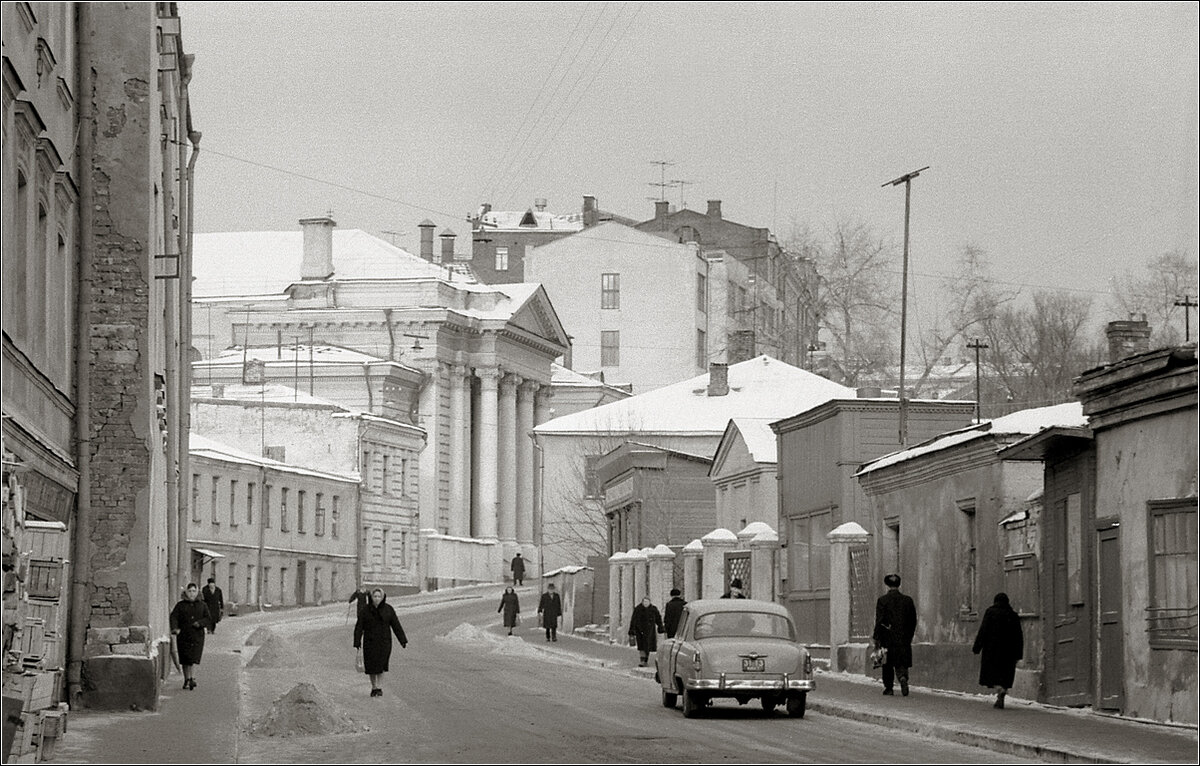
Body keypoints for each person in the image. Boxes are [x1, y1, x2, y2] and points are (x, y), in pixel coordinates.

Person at [972, 592, 1024, 709]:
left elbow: (983, 630)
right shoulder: (1013, 615)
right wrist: (1018, 654)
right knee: (1005, 675)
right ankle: (1002, 692)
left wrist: (977, 647)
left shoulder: (990, 612)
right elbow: (1019, 636)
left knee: (992, 674)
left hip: (992, 650)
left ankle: (999, 689)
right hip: (1009, 652)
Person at [353, 588, 408, 698]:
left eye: (379, 596)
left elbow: (396, 625)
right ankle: (374, 687)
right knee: (371, 666)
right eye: (375, 596)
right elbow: (359, 626)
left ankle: (379, 687)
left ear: (382, 597)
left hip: (384, 642)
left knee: (381, 665)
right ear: (371, 597)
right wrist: (357, 641)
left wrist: (402, 640)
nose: (377, 599)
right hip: (370, 642)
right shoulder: (365, 610)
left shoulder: (388, 609)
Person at [873, 573, 918, 697]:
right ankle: (903, 677)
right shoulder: (908, 600)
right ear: (899, 585)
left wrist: (877, 636)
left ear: (887, 585)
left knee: (887, 663)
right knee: (902, 660)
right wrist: (909, 635)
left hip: (887, 637)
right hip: (904, 637)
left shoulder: (882, 600)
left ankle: (889, 688)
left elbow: (879, 620)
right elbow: (913, 620)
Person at [170, 582, 211, 690]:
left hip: (197, 635)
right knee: (185, 659)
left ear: (197, 592)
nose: (192, 594)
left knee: (193, 658)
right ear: (186, 592)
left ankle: (192, 678)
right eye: (190, 591)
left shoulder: (202, 605)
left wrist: (200, 623)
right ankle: (186, 679)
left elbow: (208, 618)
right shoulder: (180, 605)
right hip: (183, 635)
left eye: (194, 591)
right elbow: (174, 617)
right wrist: (175, 628)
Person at [628, 597, 664, 667]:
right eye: (644, 602)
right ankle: (642, 660)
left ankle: (645, 660)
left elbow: (658, 619)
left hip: (650, 631)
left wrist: (660, 627)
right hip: (639, 630)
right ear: (642, 602)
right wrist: (632, 631)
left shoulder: (653, 609)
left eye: (647, 602)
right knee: (641, 646)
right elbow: (633, 620)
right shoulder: (638, 609)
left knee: (647, 645)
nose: (646, 603)